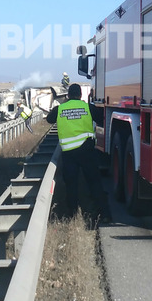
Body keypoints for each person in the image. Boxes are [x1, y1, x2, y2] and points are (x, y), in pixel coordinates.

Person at [45, 84, 112, 224]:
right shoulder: (88, 107)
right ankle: (105, 214)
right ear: (81, 95)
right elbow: (101, 120)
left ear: (68, 95)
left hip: (69, 153)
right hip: (87, 151)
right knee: (95, 183)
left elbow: (49, 119)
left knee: (71, 185)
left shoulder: (60, 109)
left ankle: (72, 216)